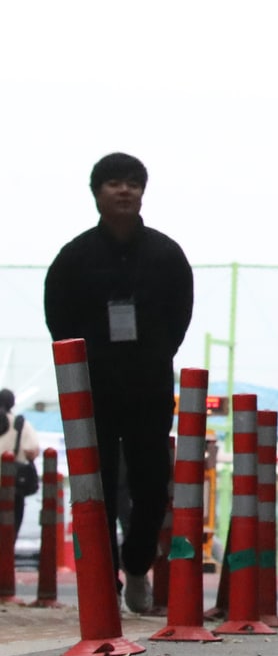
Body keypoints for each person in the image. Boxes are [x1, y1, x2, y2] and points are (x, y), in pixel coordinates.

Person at [43, 152, 194, 613]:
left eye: (132, 183)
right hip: (94, 391)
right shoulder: (74, 258)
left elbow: (179, 316)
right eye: (114, 183)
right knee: (99, 486)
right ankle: (101, 579)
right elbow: (59, 319)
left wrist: (154, 355)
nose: (124, 190)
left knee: (151, 482)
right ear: (97, 193)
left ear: (143, 192)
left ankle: (137, 567)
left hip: (149, 387)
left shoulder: (166, 255)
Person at [0, 388, 41, 532]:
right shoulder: (21, 424)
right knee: (12, 527)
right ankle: (7, 552)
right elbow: (32, 450)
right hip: (14, 486)